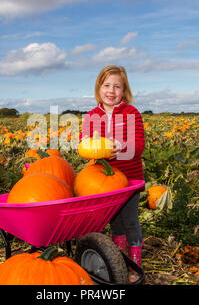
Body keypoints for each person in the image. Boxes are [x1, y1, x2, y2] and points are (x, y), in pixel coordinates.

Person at [79, 65, 146, 275]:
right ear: (99, 88)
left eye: (117, 86)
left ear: (124, 90)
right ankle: (119, 258)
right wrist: (90, 148)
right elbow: (85, 144)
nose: (111, 90)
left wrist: (122, 146)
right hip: (104, 182)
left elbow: (139, 143)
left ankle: (135, 261)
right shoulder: (91, 116)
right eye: (107, 85)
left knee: (131, 220)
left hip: (129, 180)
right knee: (115, 221)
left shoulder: (131, 113)